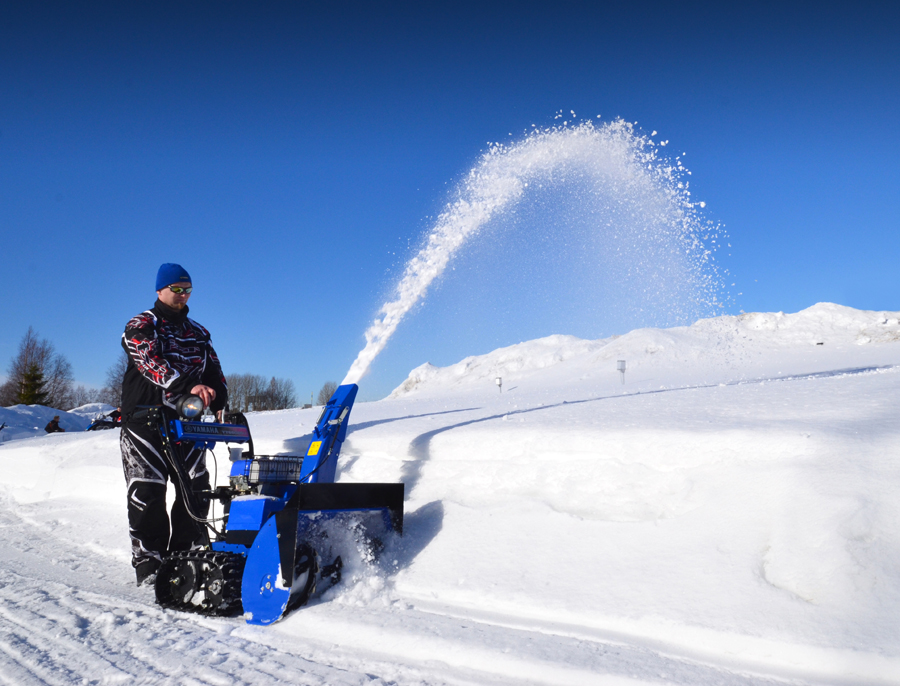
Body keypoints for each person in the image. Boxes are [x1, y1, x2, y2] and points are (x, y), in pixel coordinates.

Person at [119, 263, 228, 586]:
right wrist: (185, 388)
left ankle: (186, 556)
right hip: (145, 420)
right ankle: (149, 564)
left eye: (187, 290)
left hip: (187, 422)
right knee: (148, 491)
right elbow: (150, 363)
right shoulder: (141, 324)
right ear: (160, 290)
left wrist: (219, 398)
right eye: (176, 289)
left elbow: (214, 371)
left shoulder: (198, 332)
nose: (182, 295)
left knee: (196, 488)